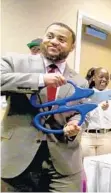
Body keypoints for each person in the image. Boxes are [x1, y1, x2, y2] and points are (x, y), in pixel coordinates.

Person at [1, 22, 87, 192]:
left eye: (62, 40)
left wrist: (75, 125)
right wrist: (40, 80)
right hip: (18, 160)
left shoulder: (80, 82)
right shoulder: (15, 62)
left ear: (72, 47)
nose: (54, 41)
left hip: (64, 163)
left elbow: (79, 112)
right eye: (50, 36)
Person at [81, 67, 111, 157]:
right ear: (94, 78)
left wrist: (106, 110)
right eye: (101, 77)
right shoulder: (86, 94)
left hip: (108, 137)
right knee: (87, 166)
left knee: (105, 167)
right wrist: (95, 106)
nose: (104, 80)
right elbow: (83, 116)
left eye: (107, 78)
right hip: (87, 137)